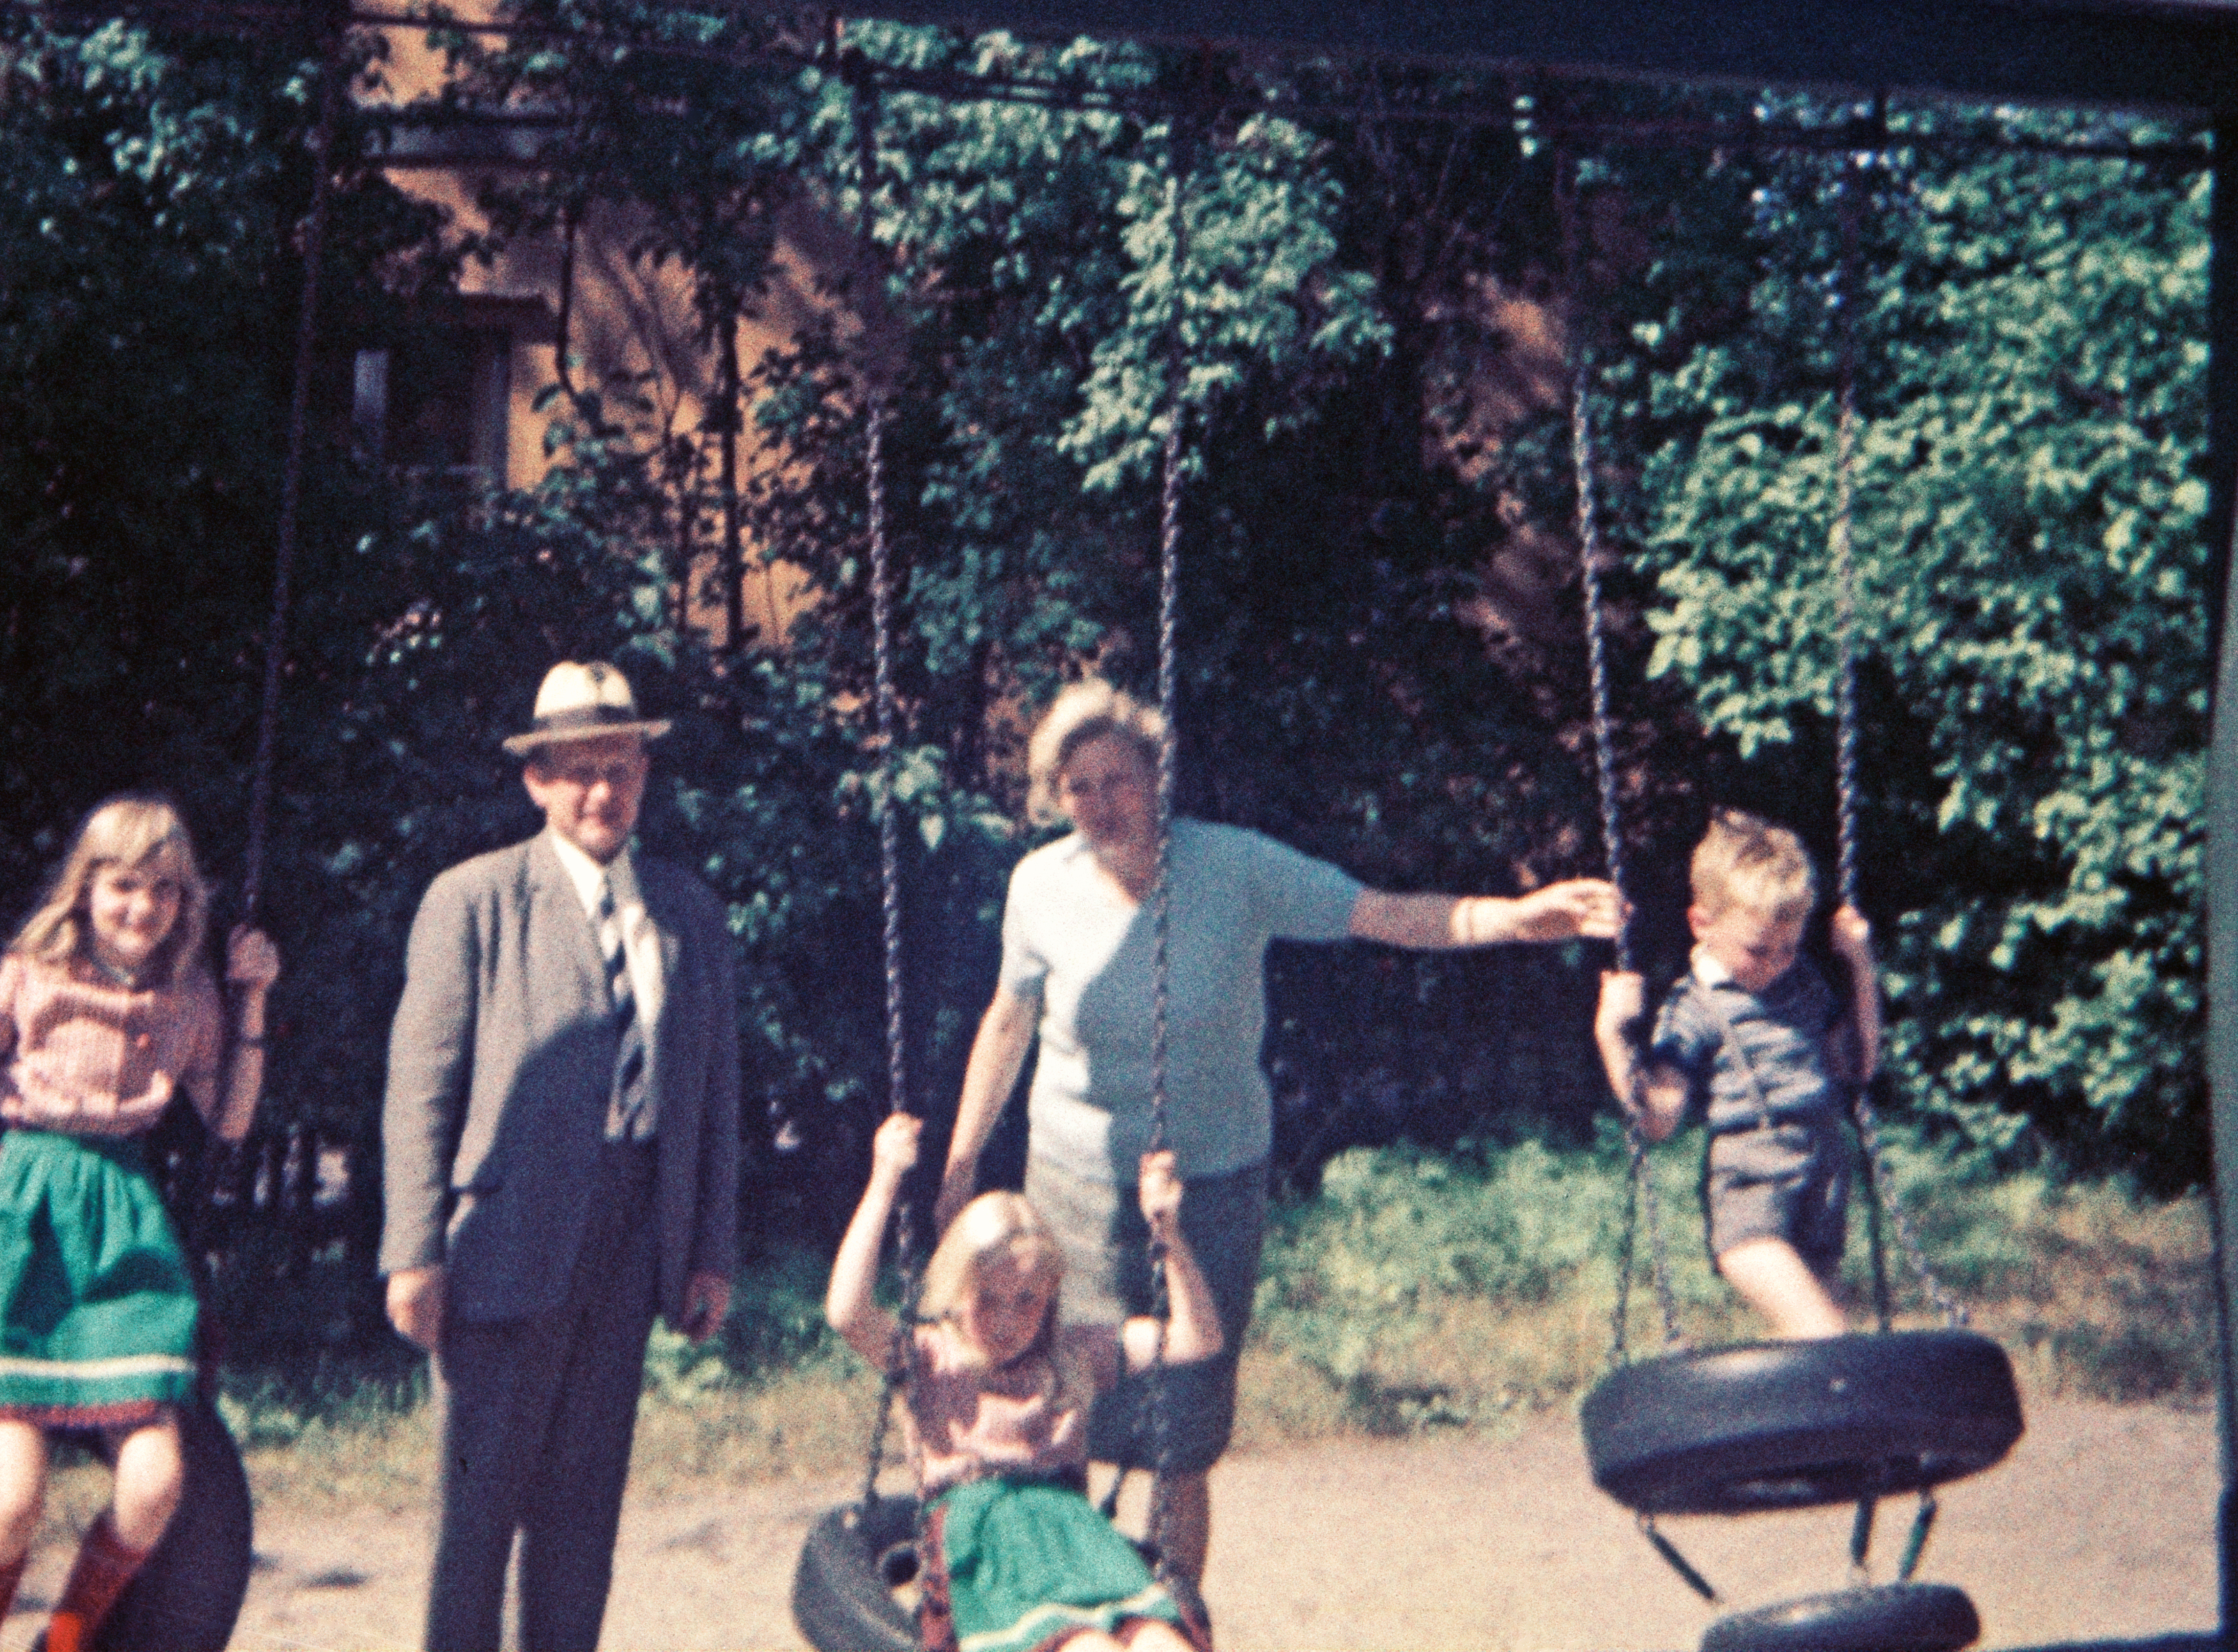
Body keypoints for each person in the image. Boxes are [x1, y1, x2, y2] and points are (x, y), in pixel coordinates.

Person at [935, 680, 1621, 1584]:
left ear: (1157, 777)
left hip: (1208, 1184)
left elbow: (1382, 912)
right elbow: (1007, 1022)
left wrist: (1512, 918)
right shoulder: (1039, 886)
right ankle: (1064, 1610)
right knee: (1059, 1408)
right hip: (1068, 1185)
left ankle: (1181, 1612)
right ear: (1053, 794)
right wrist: (960, 1160)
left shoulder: (1237, 870)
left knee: (1182, 1419)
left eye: (1119, 779)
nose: (1101, 803)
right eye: (1078, 786)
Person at [381, 659, 741, 1652]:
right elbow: (421, 1086)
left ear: (644, 774)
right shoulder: (476, 900)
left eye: (619, 767)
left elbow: (715, 1098)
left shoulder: (685, 911)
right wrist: (413, 1249)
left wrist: (708, 1247)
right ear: (535, 779)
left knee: (583, 1510)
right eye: (576, 770)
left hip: (631, 1238)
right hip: (503, 1242)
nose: (601, 791)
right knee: (477, 1511)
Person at [0, 793, 280, 1652]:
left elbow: (232, 1122)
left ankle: (65, 1642)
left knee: (154, 1482)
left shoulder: (190, 994)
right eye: (124, 884)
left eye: (164, 890)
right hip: (20, 1217)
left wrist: (251, 1002)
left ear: (185, 903)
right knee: (15, 1498)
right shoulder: (28, 972)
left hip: (124, 1231)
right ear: (86, 887)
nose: (143, 907)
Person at [828, 1110, 1218, 1652]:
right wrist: (884, 1181)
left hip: (1077, 1542)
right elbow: (847, 1312)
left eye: (1026, 1300)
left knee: (1162, 1642)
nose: (1007, 1319)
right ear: (954, 1286)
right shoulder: (931, 1357)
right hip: (986, 1549)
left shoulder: (1072, 1353)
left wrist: (1168, 1232)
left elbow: (1196, 1338)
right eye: (986, 1298)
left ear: (1050, 1296)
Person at [1593, 808, 1881, 1340]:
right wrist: (1611, 1033)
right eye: (1757, 949)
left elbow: (1857, 1066)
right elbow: (1656, 1118)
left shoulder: (1801, 982)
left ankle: (1794, 1427)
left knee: (1817, 1356)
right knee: (1827, 1336)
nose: (1775, 963)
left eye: (1788, 947)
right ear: (1701, 923)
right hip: (1752, 1192)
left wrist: (1860, 967)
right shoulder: (1694, 1006)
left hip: (1823, 1181)